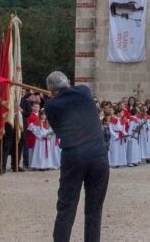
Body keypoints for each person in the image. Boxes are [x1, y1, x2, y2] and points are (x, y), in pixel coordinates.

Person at [44, 71, 110, 242]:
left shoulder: (51, 105)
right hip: (98, 155)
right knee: (94, 210)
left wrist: (53, 97)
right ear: (68, 82)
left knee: (66, 208)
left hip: (74, 156)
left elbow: (58, 131)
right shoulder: (84, 91)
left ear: (51, 90)